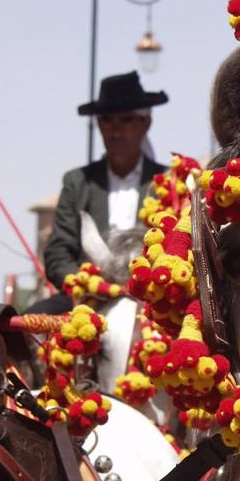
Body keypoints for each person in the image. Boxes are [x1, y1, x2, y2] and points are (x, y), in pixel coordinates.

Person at [27, 71, 168, 314]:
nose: (115, 131)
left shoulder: (168, 182)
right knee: (28, 322)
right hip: (86, 299)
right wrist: (87, 284)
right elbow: (58, 252)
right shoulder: (77, 182)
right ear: (99, 125)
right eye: (107, 121)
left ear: (145, 123)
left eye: (126, 120)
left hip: (152, 300)